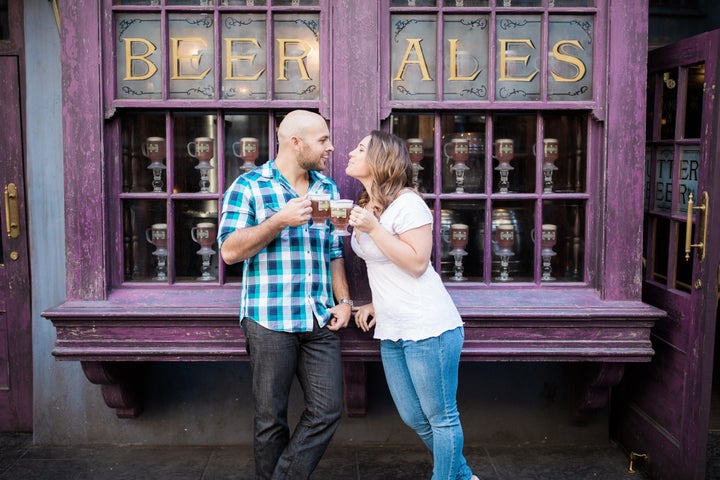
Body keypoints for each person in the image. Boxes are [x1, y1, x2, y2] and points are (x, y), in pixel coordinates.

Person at [217, 110, 352, 480]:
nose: (331, 146)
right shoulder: (248, 186)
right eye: (323, 140)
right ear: (297, 142)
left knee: (327, 410)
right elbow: (229, 251)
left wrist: (344, 300)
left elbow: (334, 251)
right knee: (270, 420)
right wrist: (278, 221)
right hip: (268, 318)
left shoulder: (327, 189)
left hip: (319, 316)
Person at [346, 130, 478, 480]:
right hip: (393, 324)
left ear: (380, 160)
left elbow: (417, 263)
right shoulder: (365, 204)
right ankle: (462, 475)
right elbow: (384, 263)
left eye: (360, 149)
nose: (350, 152)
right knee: (413, 416)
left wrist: (374, 229)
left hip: (427, 325)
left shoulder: (408, 203)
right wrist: (375, 301)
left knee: (441, 416)